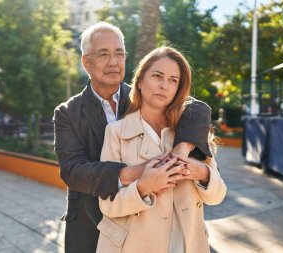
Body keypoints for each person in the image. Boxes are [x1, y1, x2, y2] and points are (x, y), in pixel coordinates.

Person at [53, 22, 213, 253]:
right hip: (90, 221)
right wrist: (144, 171)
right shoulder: (67, 112)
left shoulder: (143, 93)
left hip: (142, 222)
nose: (113, 62)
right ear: (86, 62)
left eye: (119, 53)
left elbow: (197, 108)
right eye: (103, 54)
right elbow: (73, 171)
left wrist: (179, 152)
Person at [96, 46, 227, 253]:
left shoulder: (191, 130)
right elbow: (108, 206)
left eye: (173, 80)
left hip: (187, 245)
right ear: (140, 81)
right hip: (134, 246)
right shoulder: (116, 133)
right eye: (157, 76)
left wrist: (200, 172)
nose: (164, 85)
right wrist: (143, 187)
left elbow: (217, 196)